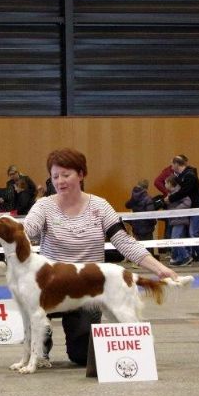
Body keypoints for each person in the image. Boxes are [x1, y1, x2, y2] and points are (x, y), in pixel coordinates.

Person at [24, 148, 178, 366]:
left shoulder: (100, 206)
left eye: (66, 175)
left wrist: (159, 269)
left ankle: (140, 353)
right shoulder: (43, 206)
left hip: (87, 289)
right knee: (31, 311)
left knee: (82, 357)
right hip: (50, 288)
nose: (60, 181)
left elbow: (123, 241)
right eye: (55, 176)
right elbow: (27, 231)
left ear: (81, 174)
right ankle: (40, 349)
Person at [165, 155, 199, 266]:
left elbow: (184, 191)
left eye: (172, 164)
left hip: (196, 208)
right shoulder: (183, 176)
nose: (171, 166)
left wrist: (170, 198)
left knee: (194, 233)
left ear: (177, 164)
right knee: (192, 233)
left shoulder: (189, 175)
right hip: (191, 209)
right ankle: (196, 256)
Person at [163, 175, 194, 266]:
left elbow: (187, 202)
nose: (164, 185)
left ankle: (186, 257)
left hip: (179, 219)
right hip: (175, 219)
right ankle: (179, 258)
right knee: (177, 239)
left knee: (175, 239)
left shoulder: (178, 192)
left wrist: (176, 210)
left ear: (170, 183)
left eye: (165, 183)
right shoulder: (171, 193)